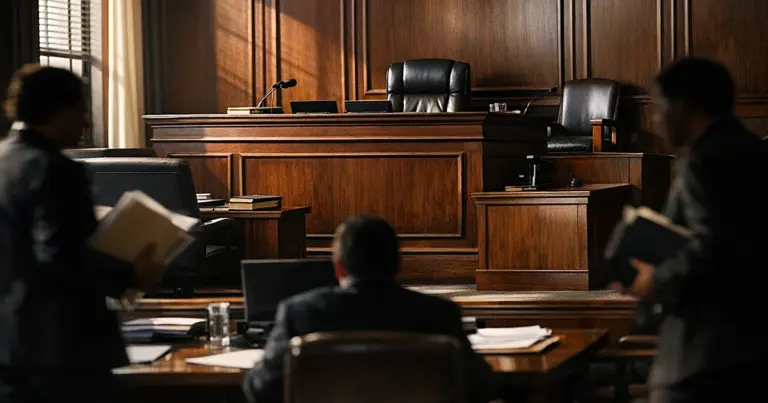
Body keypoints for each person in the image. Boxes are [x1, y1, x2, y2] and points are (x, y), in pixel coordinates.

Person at [0, 65, 162, 403]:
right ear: (60, 109)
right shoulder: (55, 168)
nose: (86, 122)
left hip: (9, 344)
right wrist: (131, 274)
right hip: (60, 348)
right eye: (81, 110)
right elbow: (61, 255)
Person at [615, 57, 768, 403]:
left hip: (708, 351)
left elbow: (714, 247)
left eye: (660, 106)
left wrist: (653, 280)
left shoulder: (704, 159)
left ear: (683, 104)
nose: (657, 117)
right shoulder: (752, 150)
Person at [243, 215, 498, 403]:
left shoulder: (299, 313)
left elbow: (262, 388)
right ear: (398, 264)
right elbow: (481, 387)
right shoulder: (440, 313)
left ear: (338, 268)